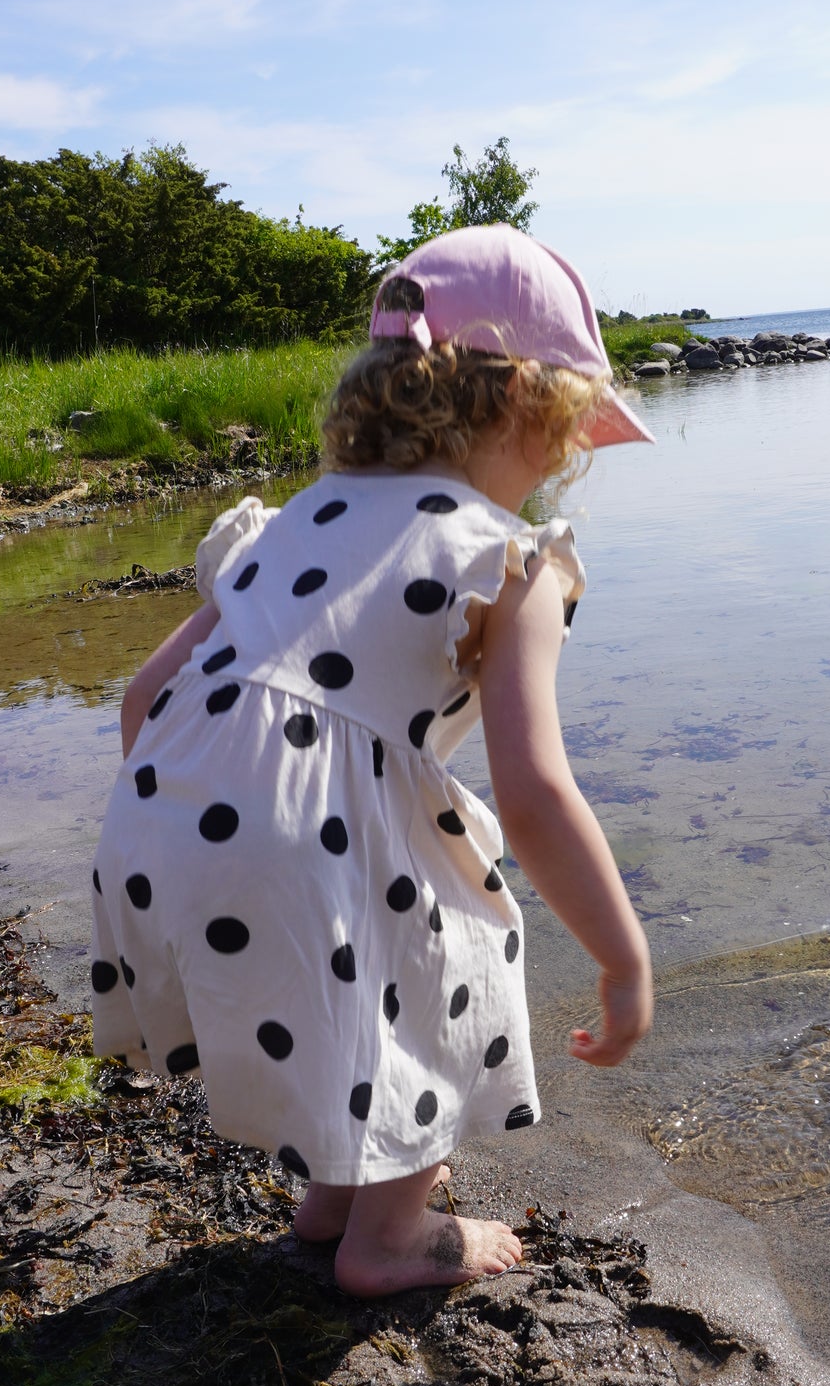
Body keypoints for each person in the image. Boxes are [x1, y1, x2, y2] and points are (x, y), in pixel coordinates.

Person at [89, 224, 655, 1295]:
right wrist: (621, 959)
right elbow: (532, 791)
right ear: (521, 406)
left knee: (349, 935)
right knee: (456, 933)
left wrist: (190, 841)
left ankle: (331, 1198)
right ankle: (392, 1236)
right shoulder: (510, 559)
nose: (557, 467)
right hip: (281, 825)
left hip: (162, 808)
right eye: (564, 436)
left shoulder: (287, 522)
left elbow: (143, 698)